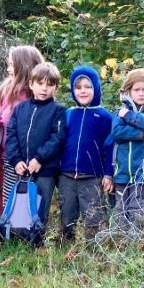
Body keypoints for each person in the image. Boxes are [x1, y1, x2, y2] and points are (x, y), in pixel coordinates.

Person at [0, 45, 45, 233]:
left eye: (12, 65)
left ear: (24, 66)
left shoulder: (32, 94)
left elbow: (22, 123)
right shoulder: (6, 88)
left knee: (29, 192)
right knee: (9, 190)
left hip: (27, 153)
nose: (8, 69)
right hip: (6, 151)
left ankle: (27, 229)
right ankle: (8, 228)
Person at [5, 62, 66, 234]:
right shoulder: (20, 109)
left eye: (49, 84)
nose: (44, 88)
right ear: (31, 84)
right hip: (22, 169)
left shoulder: (58, 110)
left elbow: (57, 137)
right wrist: (15, 160)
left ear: (56, 88)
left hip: (45, 169)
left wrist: (40, 158)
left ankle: (37, 239)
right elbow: (11, 135)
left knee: (41, 206)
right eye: (40, 83)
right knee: (21, 205)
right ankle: (19, 237)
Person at [59, 66, 114, 242]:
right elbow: (59, 142)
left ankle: (95, 248)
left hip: (92, 176)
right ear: (73, 90)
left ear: (96, 88)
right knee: (67, 214)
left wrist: (108, 174)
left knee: (93, 216)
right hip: (66, 175)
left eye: (88, 86)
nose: (83, 91)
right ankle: (66, 246)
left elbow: (110, 148)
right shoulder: (68, 114)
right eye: (78, 87)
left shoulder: (105, 116)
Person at [110, 69, 144, 232]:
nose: (141, 93)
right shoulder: (120, 111)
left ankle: (139, 246)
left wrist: (129, 117)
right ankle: (121, 244)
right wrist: (141, 134)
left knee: (139, 211)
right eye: (137, 89)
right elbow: (116, 133)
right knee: (121, 212)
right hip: (122, 173)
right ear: (129, 91)